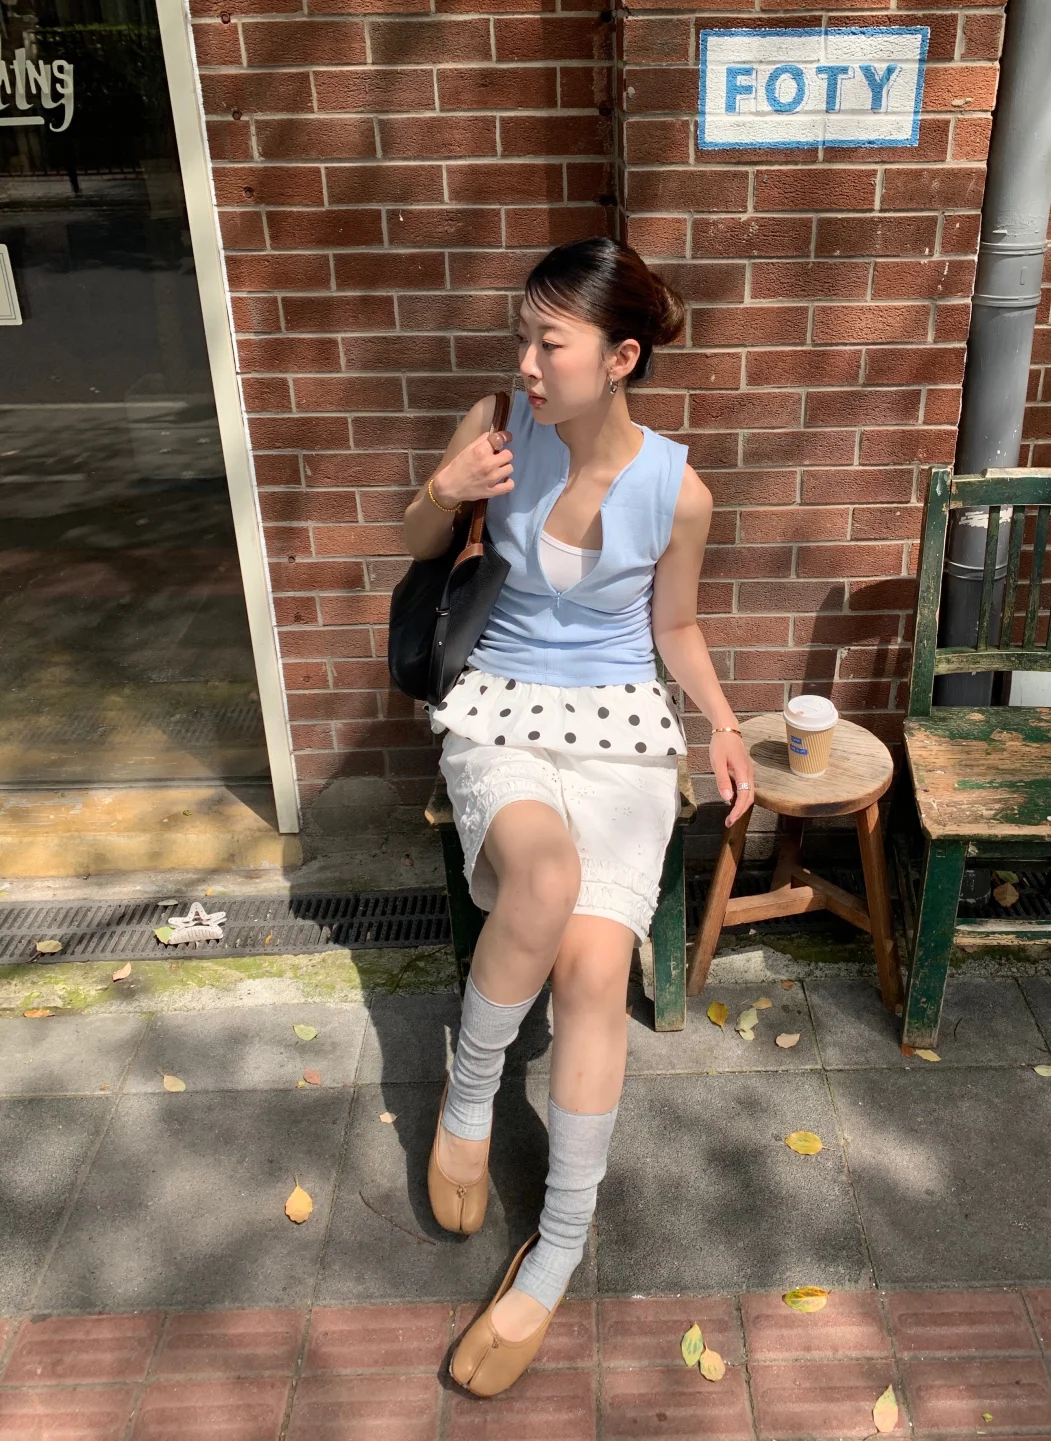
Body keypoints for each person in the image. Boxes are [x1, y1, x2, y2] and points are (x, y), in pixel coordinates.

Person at [400, 236, 755, 1397]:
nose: (527, 361)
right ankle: (469, 1098)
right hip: (501, 707)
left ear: (620, 357)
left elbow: (676, 626)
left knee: (598, 968)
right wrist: (446, 490)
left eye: (549, 342)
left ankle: (556, 1246)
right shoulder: (499, 426)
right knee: (544, 878)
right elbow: (414, 543)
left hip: (620, 729)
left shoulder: (679, 491)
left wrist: (723, 721)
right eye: (524, 337)